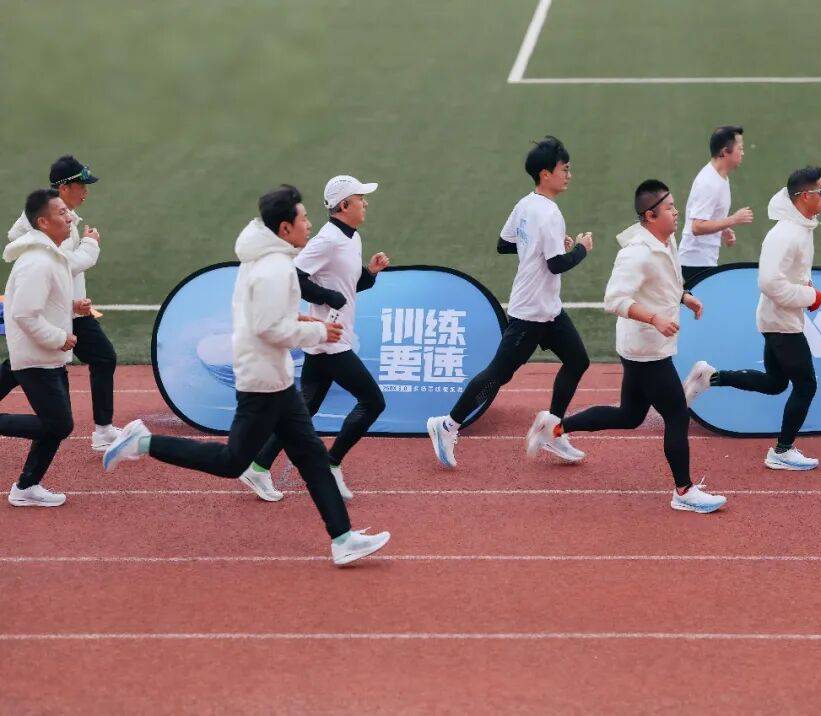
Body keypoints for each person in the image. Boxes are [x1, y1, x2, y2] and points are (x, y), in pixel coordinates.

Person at [103, 185, 390, 565]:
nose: (309, 224)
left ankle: (343, 539)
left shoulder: (267, 260)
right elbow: (270, 329)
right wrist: (318, 332)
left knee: (312, 458)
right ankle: (142, 442)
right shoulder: (274, 269)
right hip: (262, 380)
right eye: (303, 218)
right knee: (230, 462)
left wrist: (301, 319)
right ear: (285, 228)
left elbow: (264, 316)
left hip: (276, 378)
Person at [532, 180, 726, 513]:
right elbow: (614, 299)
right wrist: (654, 318)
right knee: (677, 414)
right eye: (669, 207)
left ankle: (555, 427)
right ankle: (684, 491)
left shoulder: (666, 240)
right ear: (650, 215)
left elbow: (665, 282)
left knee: (630, 415)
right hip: (646, 350)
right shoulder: (636, 254)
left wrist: (683, 296)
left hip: (645, 346)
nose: (676, 212)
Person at [427, 136, 593, 468]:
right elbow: (555, 264)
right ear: (546, 173)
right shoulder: (550, 213)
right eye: (565, 169)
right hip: (530, 311)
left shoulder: (525, 204)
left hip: (548, 309)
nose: (569, 175)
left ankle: (552, 429)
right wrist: (581, 249)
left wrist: (545, 244)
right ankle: (447, 425)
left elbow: (505, 244)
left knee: (577, 361)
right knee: (497, 375)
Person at [239, 175, 390, 503]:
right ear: (344, 205)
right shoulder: (327, 239)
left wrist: (370, 273)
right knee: (373, 402)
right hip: (329, 339)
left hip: (329, 337)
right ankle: (332, 463)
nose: (365, 203)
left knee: (305, 409)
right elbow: (294, 277)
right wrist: (327, 297)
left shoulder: (352, 237)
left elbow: (347, 287)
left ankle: (258, 466)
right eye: (360, 198)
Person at [683, 166, 821, 471]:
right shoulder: (786, 234)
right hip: (780, 322)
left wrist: (808, 289)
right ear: (804, 196)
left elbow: (791, 274)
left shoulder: (801, 228)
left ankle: (711, 377)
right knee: (806, 385)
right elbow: (769, 282)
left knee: (776, 383)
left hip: (779, 318)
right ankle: (782, 450)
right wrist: (809, 296)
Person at [3, 156, 119, 450]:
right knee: (26, 366)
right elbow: (66, 265)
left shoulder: (64, 218)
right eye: (82, 185)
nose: (86, 192)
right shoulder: (50, 225)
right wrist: (91, 244)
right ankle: (103, 432)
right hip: (57, 311)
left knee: (22, 365)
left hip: (70, 309)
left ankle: (104, 430)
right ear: (65, 187)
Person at [2, 189, 87, 507]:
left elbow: (43, 302)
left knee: (55, 425)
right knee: (58, 425)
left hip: (47, 356)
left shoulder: (51, 255)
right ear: (43, 222)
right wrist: (58, 337)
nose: (70, 217)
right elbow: (24, 314)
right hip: (36, 357)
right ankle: (26, 487)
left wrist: (73, 307)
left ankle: (26, 487)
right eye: (62, 213)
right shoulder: (37, 262)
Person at [677, 125, 754, 284]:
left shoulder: (721, 178)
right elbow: (697, 227)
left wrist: (724, 230)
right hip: (694, 264)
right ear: (725, 152)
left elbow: (709, 217)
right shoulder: (708, 182)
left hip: (704, 261)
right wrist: (733, 219)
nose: (743, 153)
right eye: (740, 148)